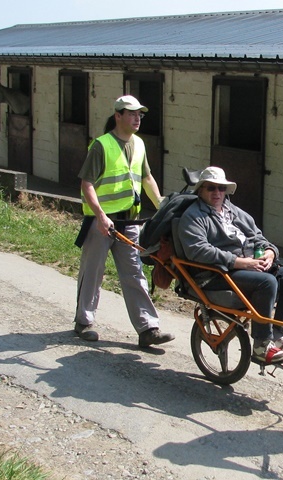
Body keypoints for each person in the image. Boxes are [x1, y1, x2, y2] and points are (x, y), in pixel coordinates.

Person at [73, 94, 175, 348]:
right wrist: (100, 216)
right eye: (131, 113)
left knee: (134, 273)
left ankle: (148, 328)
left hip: (129, 222)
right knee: (92, 273)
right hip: (102, 222)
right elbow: (87, 184)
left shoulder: (139, 144)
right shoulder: (101, 145)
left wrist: (162, 205)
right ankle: (83, 322)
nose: (137, 118)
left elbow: (146, 178)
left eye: (139, 114)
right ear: (118, 116)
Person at [178, 166, 283, 364]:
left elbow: (259, 237)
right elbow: (198, 251)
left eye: (221, 188)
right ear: (201, 190)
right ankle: (261, 345)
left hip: (248, 267)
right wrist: (241, 263)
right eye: (211, 188)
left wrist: (270, 253)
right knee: (267, 282)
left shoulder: (235, 212)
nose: (217, 193)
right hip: (216, 274)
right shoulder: (193, 216)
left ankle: (278, 337)